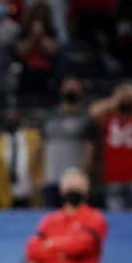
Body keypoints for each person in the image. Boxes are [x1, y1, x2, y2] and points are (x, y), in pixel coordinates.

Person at [89, 84, 132, 210]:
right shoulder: (108, 118)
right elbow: (93, 111)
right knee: (116, 217)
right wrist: (116, 98)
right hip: (113, 175)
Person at [41, 77, 95, 208]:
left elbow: (90, 148)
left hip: (74, 180)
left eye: (74, 86)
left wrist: (84, 174)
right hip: (51, 177)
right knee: (53, 217)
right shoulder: (50, 116)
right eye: (68, 86)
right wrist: (36, 173)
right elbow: (42, 145)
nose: (70, 89)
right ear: (61, 89)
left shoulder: (85, 117)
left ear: (81, 91)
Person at [0, 109, 44, 208]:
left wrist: (40, 184)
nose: (11, 121)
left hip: (32, 195)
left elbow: (43, 162)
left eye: (14, 118)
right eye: (8, 119)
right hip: (5, 199)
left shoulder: (34, 139)